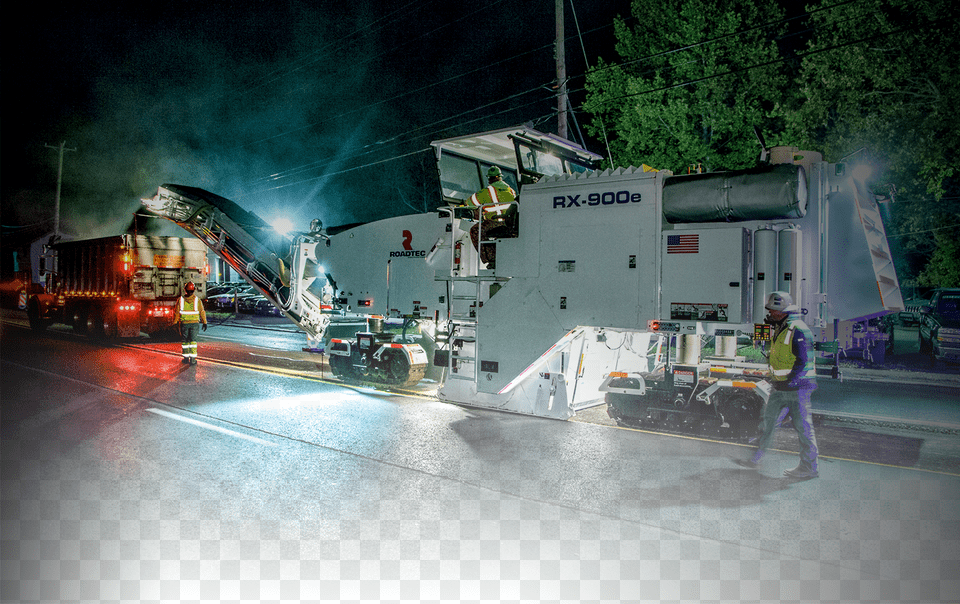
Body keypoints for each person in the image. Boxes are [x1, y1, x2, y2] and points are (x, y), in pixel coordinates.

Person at [735, 291, 819, 479]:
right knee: (767, 423)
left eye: (774, 310)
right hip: (780, 387)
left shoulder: (797, 329)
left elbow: (803, 360)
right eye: (770, 310)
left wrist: (790, 381)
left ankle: (809, 468)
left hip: (797, 388)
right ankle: (754, 459)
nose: (770, 313)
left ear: (784, 312)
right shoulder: (781, 328)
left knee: (803, 429)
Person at [463, 166, 517, 268]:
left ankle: (490, 259)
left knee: (475, 230)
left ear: (489, 179)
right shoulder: (511, 191)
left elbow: (469, 203)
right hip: (509, 223)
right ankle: (498, 256)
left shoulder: (486, 191)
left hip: (495, 222)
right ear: (500, 177)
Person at [174, 281, 207, 365]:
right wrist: (204, 322)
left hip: (184, 323)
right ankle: (192, 359)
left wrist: (175, 322)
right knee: (193, 341)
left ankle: (185, 358)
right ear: (194, 290)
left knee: (185, 341)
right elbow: (202, 311)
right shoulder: (197, 300)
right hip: (194, 323)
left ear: (185, 290)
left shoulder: (180, 300)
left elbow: (176, 312)